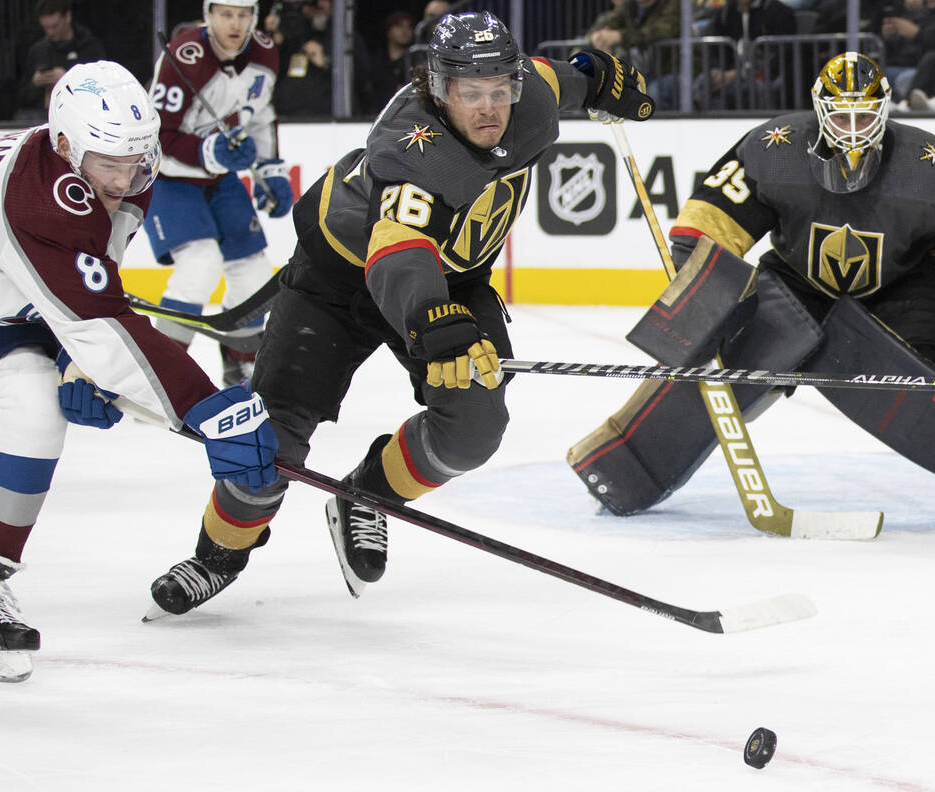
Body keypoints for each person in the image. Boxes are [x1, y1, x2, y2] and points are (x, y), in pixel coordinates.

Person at [144, 10, 655, 617]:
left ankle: (369, 495)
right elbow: (398, 251)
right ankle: (218, 555)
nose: (489, 108)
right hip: (339, 281)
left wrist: (594, 74)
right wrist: (434, 321)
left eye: (499, 91)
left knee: (474, 425)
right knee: (270, 447)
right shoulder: (415, 147)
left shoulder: (533, 94)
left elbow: (565, 77)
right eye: (471, 94)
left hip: (452, 278)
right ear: (439, 89)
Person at [567, 52, 935, 527]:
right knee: (725, 361)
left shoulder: (931, 164)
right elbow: (709, 222)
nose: (853, 129)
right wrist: (704, 277)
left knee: (929, 390)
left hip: (902, 290)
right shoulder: (775, 148)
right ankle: (621, 467)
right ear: (819, 109)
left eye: (865, 116)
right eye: (842, 115)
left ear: (883, 110)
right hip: (795, 285)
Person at [0, 61, 277, 682]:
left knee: (32, 406)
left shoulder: (115, 173)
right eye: (110, 161)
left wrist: (74, 359)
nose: (127, 177)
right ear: (61, 144)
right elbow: (99, 321)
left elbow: (91, 281)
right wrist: (209, 407)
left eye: (137, 158)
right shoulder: (37, 195)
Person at [144, 0, 294, 386]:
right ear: (208, 15)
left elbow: (260, 115)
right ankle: (162, 370)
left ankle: (240, 363)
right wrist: (210, 151)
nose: (235, 23)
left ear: (254, 18)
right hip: (169, 177)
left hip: (217, 177)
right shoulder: (184, 57)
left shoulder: (263, 52)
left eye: (243, 14)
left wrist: (269, 169)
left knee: (255, 273)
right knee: (200, 266)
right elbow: (157, 137)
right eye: (226, 14)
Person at [15, 0, 107, 121]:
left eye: (55, 26)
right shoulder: (38, 50)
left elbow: (103, 87)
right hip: (43, 117)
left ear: (67, 17)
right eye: (46, 28)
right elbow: (20, 98)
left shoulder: (89, 47)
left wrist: (68, 78)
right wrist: (35, 84)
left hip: (82, 116)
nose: (50, 32)